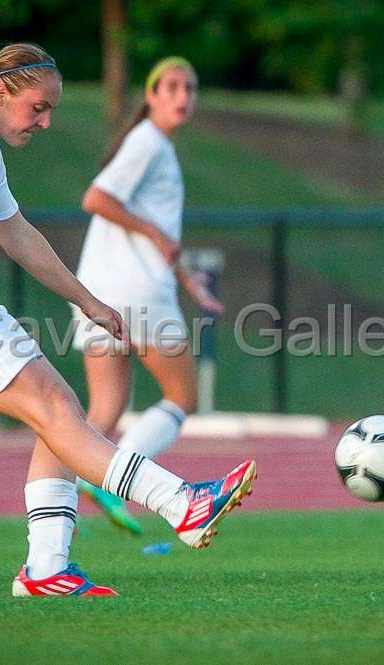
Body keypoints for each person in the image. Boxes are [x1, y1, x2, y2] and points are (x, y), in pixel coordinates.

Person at [0, 44, 255, 598]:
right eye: (39, 108)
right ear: (1, 93)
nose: (46, 121)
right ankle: (181, 503)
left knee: (61, 417)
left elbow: (20, 238)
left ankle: (47, 569)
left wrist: (90, 301)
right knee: (57, 409)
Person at [70, 57, 224, 535]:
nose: (183, 96)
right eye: (172, 86)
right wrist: (158, 239)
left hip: (97, 291)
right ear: (151, 95)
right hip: (137, 292)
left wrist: (184, 276)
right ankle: (111, 480)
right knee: (183, 396)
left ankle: (58, 520)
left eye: (191, 88)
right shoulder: (149, 142)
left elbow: (150, 227)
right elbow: (95, 199)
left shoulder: (151, 144)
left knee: (102, 413)